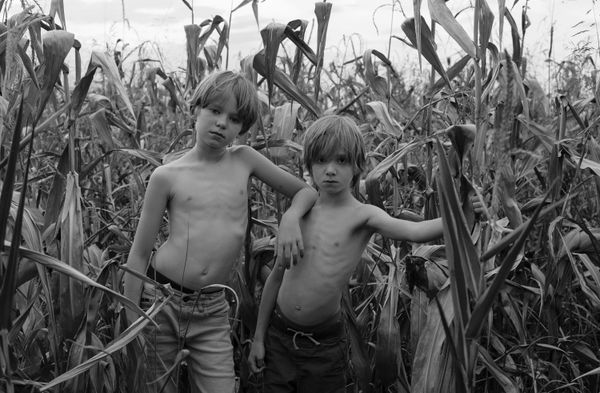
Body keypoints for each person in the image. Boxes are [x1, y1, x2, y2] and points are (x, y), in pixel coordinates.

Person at [248, 115, 483, 393]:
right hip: (279, 338)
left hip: (323, 347)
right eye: (321, 161)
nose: (331, 170)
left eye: (342, 160)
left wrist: (462, 214)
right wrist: (259, 338)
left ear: (358, 165)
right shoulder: (301, 211)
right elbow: (276, 278)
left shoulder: (362, 215)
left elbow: (412, 231)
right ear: (309, 165)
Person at [123, 70, 317, 393]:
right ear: (195, 110)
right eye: (214, 111)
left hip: (212, 308)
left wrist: (291, 218)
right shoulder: (166, 176)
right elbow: (140, 253)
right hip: (161, 302)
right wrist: (131, 320)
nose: (222, 123)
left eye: (235, 118)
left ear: (242, 128)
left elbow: (306, 193)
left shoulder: (244, 161)